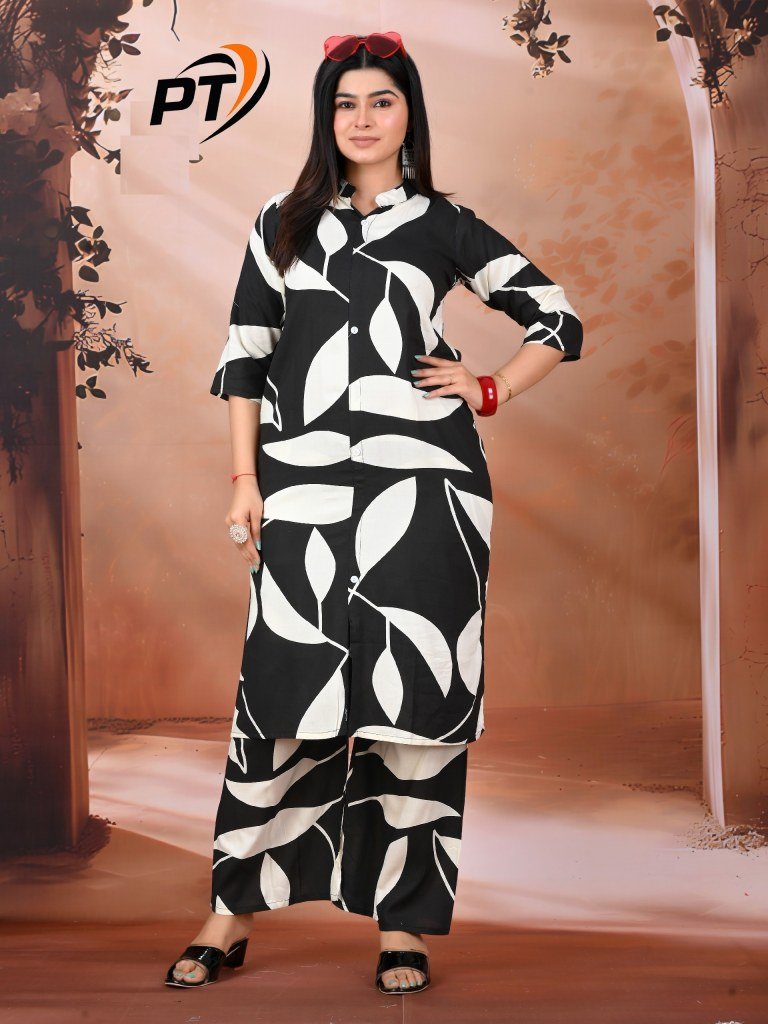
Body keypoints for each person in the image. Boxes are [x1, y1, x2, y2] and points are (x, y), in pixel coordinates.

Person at [165, 30, 582, 995]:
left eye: (381, 101)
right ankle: (230, 911)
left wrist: (487, 387)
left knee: (414, 703)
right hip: (303, 490)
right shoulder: (280, 223)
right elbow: (245, 358)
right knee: (281, 699)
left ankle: (405, 925)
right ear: (326, 116)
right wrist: (244, 480)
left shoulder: (444, 223)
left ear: (408, 114)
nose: (362, 118)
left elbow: (555, 317)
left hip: (428, 492)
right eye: (345, 102)